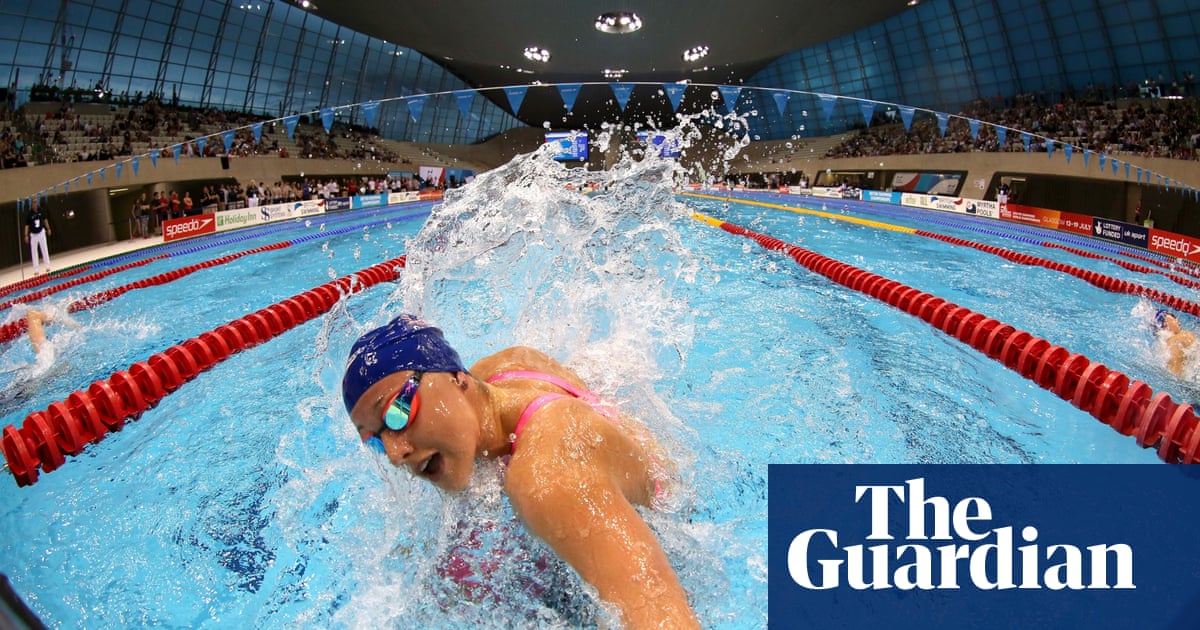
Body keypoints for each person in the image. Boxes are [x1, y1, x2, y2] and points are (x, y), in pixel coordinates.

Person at [341, 315, 699, 628]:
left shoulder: (551, 478)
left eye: (396, 413)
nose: (394, 453)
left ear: (457, 378)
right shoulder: (505, 367)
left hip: (663, 532)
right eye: (375, 440)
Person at [1155, 309, 1196, 376]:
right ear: (1165, 324)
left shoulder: (1163, 347)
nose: (1179, 323)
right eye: (1174, 320)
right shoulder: (1179, 338)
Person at [23, 199, 51, 276]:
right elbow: (27, 225)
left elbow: (45, 220)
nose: (35, 204)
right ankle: (36, 269)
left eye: (36, 202)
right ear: (31, 204)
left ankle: (47, 266)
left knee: (44, 249)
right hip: (33, 234)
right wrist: (26, 235)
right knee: (34, 252)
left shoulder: (41, 210)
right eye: (33, 203)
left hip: (41, 232)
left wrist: (48, 228)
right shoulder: (29, 214)